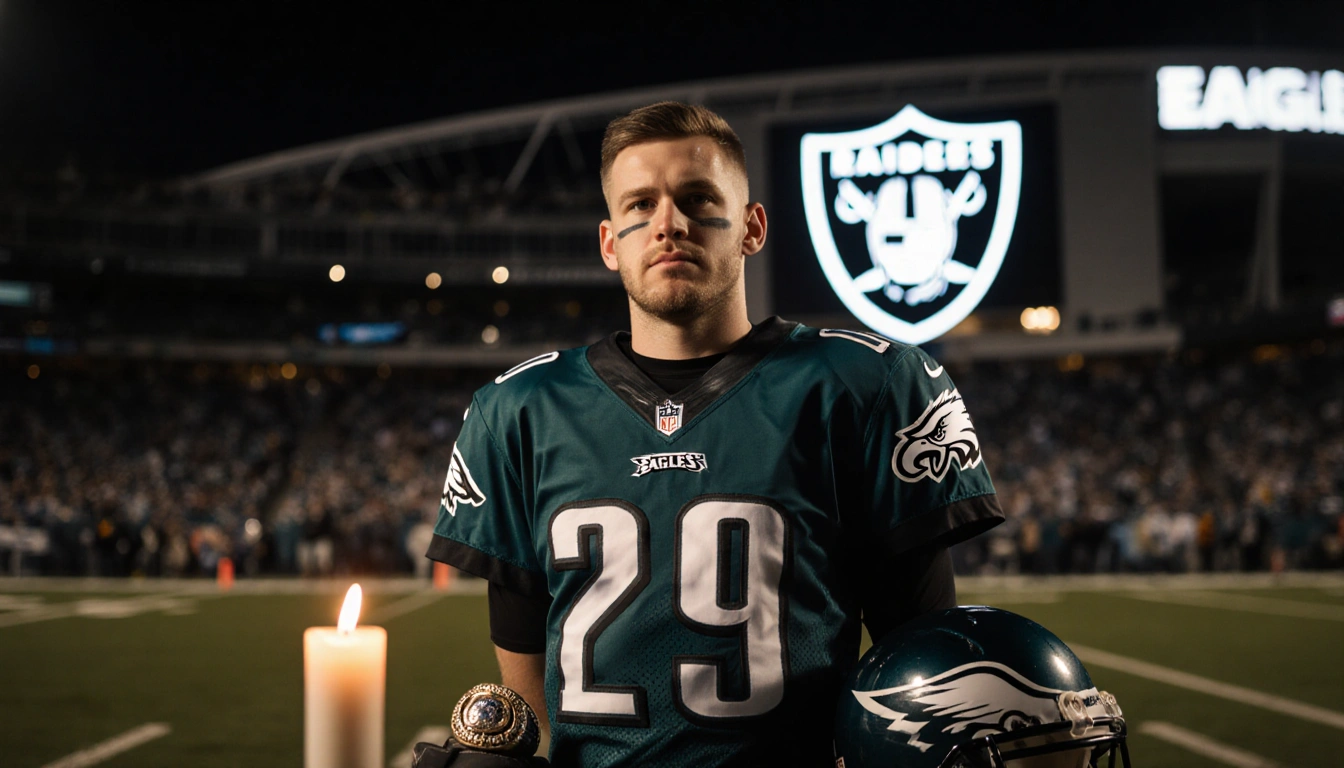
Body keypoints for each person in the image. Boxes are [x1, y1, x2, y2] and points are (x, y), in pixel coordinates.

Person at [427, 101, 1004, 767]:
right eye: (639, 204)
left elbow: (918, 664)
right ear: (610, 242)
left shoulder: (868, 384)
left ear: (752, 227)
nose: (667, 223)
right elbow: (525, 688)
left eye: (698, 199)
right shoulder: (519, 410)